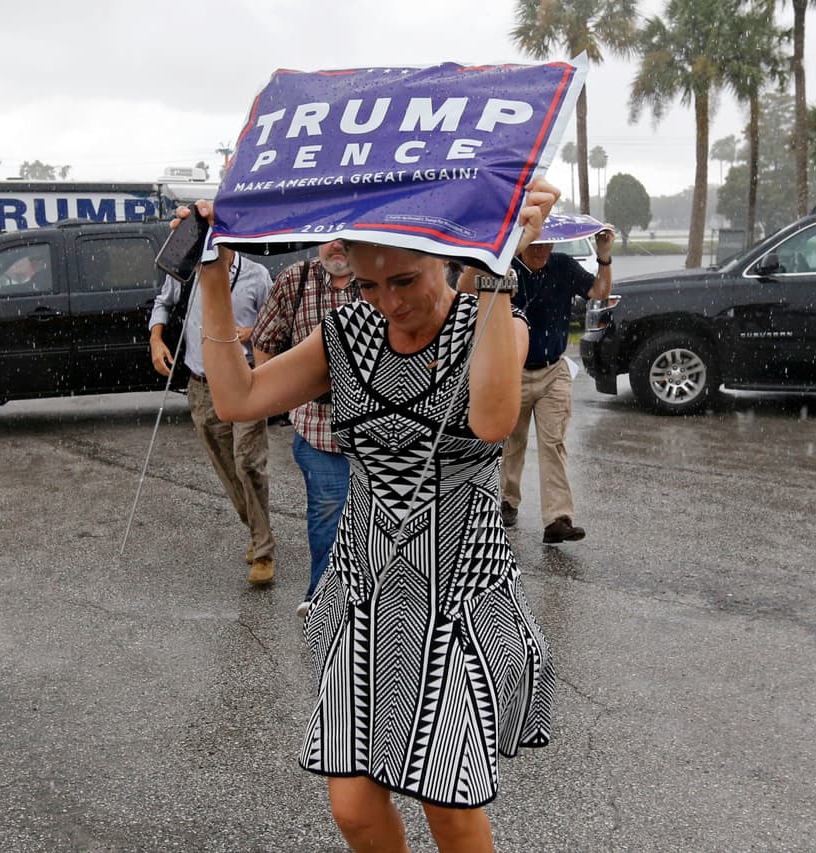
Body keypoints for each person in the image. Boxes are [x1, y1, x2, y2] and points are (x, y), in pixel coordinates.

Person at [183, 179, 559, 852]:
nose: (389, 302)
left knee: (447, 802)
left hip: (457, 593)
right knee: (354, 804)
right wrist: (212, 280)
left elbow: (494, 418)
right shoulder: (347, 336)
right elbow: (239, 397)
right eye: (367, 286)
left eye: (406, 280)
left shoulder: (490, 320)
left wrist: (497, 270)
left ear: (442, 256)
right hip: (366, 589)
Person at [461, 227, 614, 544]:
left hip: (552, 369)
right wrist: (494, 251)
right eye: (535, 242)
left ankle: (558, 518)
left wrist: (604, 256)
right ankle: (506, 502)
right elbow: (463, 291)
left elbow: (600, 291)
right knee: (510, 442)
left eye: (548, 242)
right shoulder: (505, 264)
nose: (542, 249)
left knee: (553, 443)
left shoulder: (562, 266)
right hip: (511, 368)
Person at [148, 251, 277, 586]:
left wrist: (252, 332)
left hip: (247, 379)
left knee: (247, 461)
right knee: (227, 466)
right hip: (201, 384)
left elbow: (274, 322)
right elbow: (163, 302)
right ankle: (256, 529)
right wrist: (156, 339)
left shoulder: (256, 275)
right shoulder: (187, 272)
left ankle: (263, 552)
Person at [251, 240, 360, 619]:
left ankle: (375, 603)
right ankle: (323, 598)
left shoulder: (382, 277)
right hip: (318, 426)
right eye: (331, 234)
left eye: (347, 234)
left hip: (378, 428)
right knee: (328, 513)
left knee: (383, 517)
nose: (338, 245)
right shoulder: (294, 280)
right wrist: (281, 400)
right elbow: (264, 340)